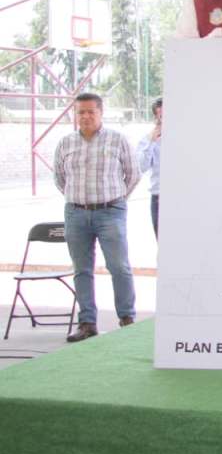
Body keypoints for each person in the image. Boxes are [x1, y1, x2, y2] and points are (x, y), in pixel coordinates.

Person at [54, 93, 141, 342]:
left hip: (110, 212)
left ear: (101, 112)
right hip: (76, 213)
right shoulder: (66, 143)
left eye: (91, 111)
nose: (86, 116)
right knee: (81, 270)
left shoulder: (117, 140)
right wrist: (78, 198)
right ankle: (87, 323)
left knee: (119, 267)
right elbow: (59, 178)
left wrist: (116, 200)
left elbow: (133, 174)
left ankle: (127, 319)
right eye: (81, 112)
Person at [136, 97, 162, 237]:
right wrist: (152, 142)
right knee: (163, 243)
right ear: (156, 117)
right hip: (159, 197)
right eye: (161, 115)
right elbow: (141, 166)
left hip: (186, 195)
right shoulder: (147, 140)